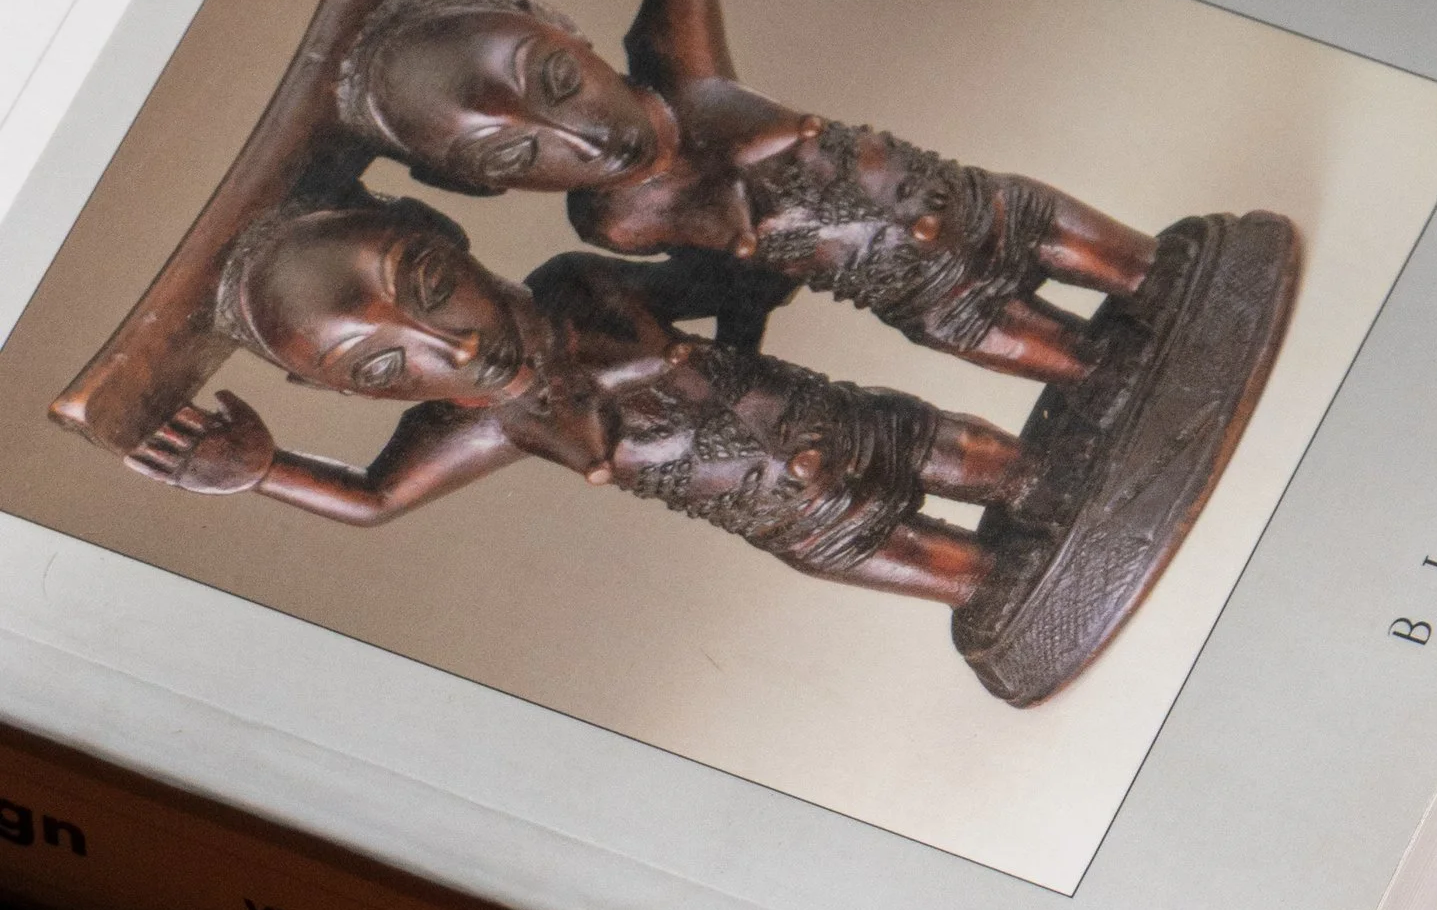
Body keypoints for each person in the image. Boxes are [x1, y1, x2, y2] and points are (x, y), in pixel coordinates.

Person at [326, 0, 1160, 385]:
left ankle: (1160, 290)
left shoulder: (684, 83)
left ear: (564, 31)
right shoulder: (614, 220)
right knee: (1083, 375)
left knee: (1142, 272)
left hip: (984, 208)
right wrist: (741, 329)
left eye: (557, 79)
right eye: (516, 152)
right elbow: (732, 267)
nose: (583, 138)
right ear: (479, 186)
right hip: (918, 293)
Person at [127, 193, 1034, 619]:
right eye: (378, 367)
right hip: (805, 522)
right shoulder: (475, 423)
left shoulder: (575, 287)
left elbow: (709, 278)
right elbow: (375, 499)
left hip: (855, 422)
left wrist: (752, 273)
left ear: (447, 234)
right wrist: (261, 472)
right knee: (983, 587)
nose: (460, 348)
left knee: (1015, 470)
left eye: (435, 289)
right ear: (330, 390)